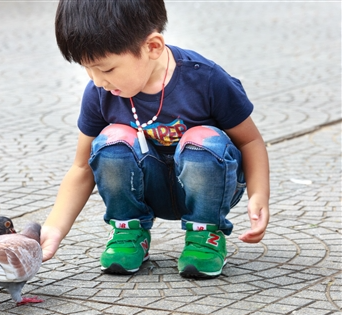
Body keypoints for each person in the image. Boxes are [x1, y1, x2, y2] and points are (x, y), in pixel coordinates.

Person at [41, 0, 270, 279]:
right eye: (87, 69)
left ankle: (205, 235)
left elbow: (250, 141)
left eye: (107, 69)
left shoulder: (206, 80)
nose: (98, 80)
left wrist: (259, 195)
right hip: (147, 187)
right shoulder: (100, 92)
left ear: (152, 47)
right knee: (112, 139)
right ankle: (129, 231)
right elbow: (81, 167)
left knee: (202, 139)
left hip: (208, 186)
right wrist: (53, 228)